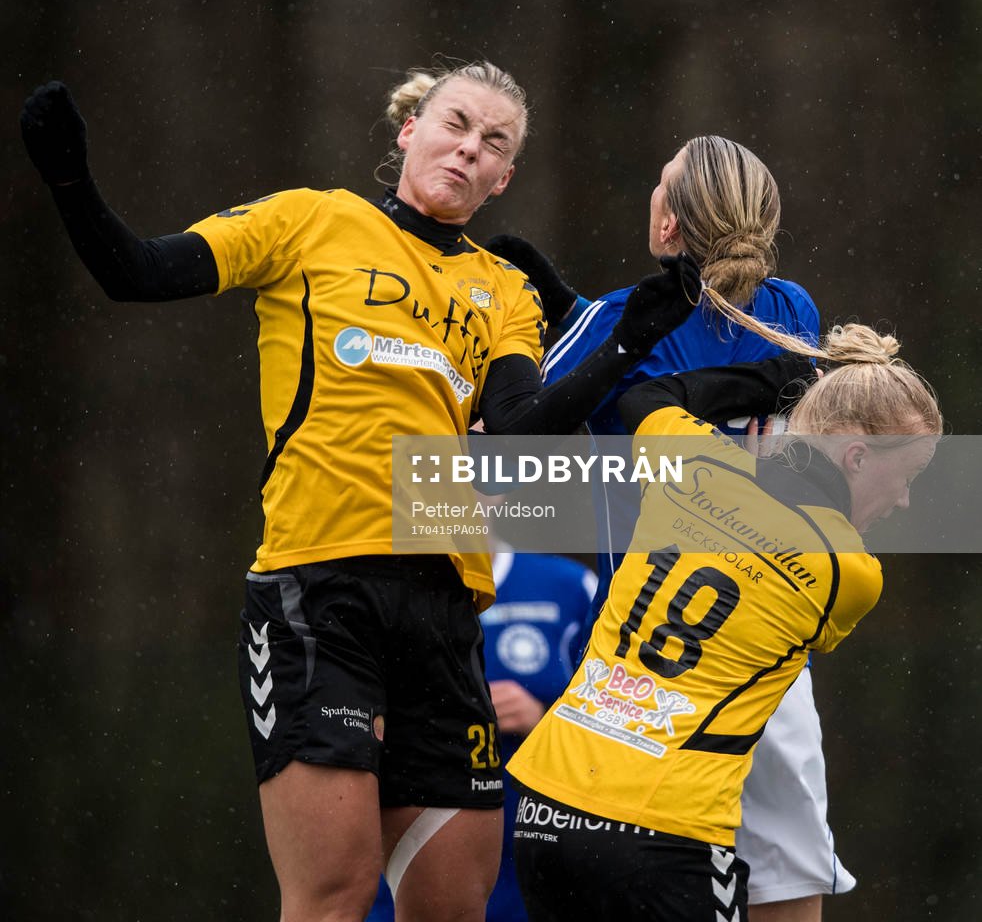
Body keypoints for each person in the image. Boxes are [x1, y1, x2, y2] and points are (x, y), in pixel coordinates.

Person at [20, 66, 701, 922]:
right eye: (456, 123)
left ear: (504, 179)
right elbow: (137, 271)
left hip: (450, 616)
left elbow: (522, 435)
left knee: (455, 909)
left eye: (495, 144)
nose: (470, 147)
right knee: (334, 896)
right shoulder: (310, 220)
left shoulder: (501, 288)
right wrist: (70, 178)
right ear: (410, 127)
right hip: (321, 595)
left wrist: (626, 342)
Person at [489, 136, 847, 920]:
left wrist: (553, 331)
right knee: (789, 878)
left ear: (673, 227)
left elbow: (521, 438)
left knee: (628, 883)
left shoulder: (620, 321)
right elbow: (708, 344)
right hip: (762, 654)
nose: (651, 197)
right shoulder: (792, 310)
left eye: (663, 187)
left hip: (643, 656)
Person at [508, 322, 942, 922]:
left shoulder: (694, 463)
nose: (904, 501)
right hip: (663, 831)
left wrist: (766, 381)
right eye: (909, 478)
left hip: (546, 804)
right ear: (859, 456)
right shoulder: (851, 574)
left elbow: (645, 399)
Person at [366, 548, 598, 922]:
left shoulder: (568, 586)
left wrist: (543, 721)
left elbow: (623, 725)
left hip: (538, 861)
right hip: (409, 851)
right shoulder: (379, 580)